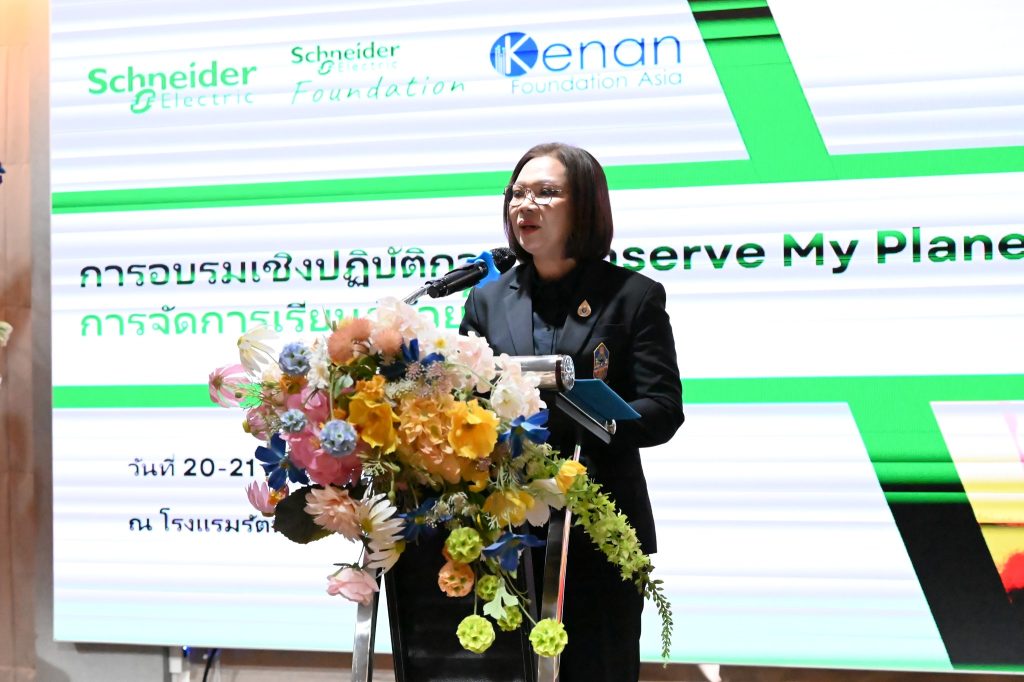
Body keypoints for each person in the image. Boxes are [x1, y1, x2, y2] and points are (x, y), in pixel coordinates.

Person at [460, 142, 684, 681]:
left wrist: (585, 416)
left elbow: (662, 409)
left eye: (546, 193)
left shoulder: (632, 296)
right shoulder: (487, 300)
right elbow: (465, 398)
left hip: (598, 525)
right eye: (517, 193)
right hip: (508, 526)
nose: (525, 205)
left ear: (584, 206)